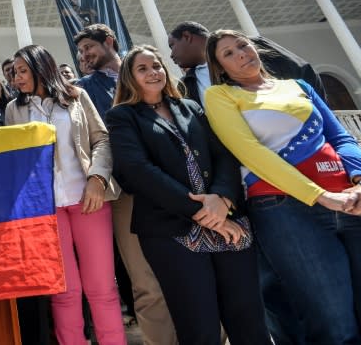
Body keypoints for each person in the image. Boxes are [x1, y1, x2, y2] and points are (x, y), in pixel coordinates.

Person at [106, 45, 270, 344]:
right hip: (172, 231)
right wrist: (203, 213)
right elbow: (137, 171)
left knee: (249, 319)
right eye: (142, 69)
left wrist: (221, 199)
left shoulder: (191, 107)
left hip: (227, 220)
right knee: (198, 324)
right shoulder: (122, 116)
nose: (153, 72)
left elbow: (223, 155)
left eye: (156, 65)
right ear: (129, 78)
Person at [204, 29, 361, 343]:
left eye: (242, 45)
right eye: (228, 53)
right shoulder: (220, 96)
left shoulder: (297, 86)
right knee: (333, 320)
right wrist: (320, 196)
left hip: (349, 199)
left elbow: (340, 136)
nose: (240, 54)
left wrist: (358, 180)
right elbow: (250, 152)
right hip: (285, 209)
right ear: (219, 67)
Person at [5, 44, 124, 345]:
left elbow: (101, 139)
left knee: (102, 290)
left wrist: (98, 178)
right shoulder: (13, 109)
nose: (16, 78)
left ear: (40, 67)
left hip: (89, 201)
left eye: (22, 71)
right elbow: (14, 160)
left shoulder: (76, 96)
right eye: (14, 73)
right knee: (65, 292)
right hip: (47, 210)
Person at [73, 24, 177, 345]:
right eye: (80, 52)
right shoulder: (83, 88)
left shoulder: (158, 86)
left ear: (110, 42)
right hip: (125, 192)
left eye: (89, 47)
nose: (84, 56)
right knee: (145, 280)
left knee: (189, 271)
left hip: (174, 186)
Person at [168, 20, 327, 106]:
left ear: (187, 37)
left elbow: (303, 72)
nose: (171, 55)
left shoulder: (253, 47)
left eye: (172, 45)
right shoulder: (187, 85)